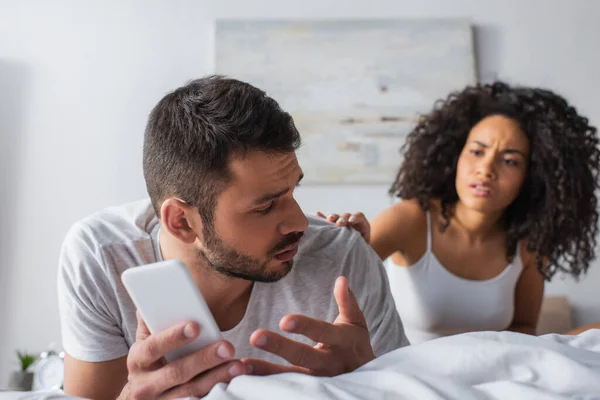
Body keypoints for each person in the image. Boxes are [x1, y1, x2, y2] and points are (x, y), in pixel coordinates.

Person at [57, 76, 408, 400]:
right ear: (182, 222)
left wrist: (368, 383)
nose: (300, 221)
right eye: (267, 206)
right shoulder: (101, 257)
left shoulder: (343, 258)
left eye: (292, 191)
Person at [319, 81, 600, 344]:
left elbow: (524, 329)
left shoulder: (528, 245)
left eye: (510, 161)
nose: (486, 169)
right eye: (477, 152)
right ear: (456, 155)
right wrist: (349, 243)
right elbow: (335, 289)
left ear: (533, 176)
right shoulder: (411, 219)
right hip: (403, 377)